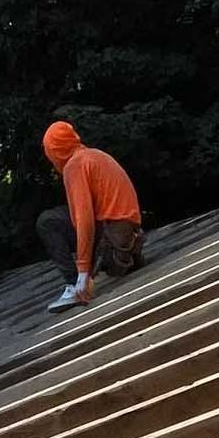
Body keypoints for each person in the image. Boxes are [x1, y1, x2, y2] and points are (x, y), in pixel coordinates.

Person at [36, 120, 143, 312]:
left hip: (112, 244)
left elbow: (84, 220)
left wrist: (83, 274)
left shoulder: (74, 166)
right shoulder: (94, 155)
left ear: (55, 151)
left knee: (48, 221)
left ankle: (72, 287)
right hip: (126, 242)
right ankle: (125, 259)